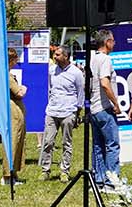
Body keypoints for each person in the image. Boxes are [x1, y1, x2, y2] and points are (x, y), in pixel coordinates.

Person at [40, 42, 81, 179]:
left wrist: (77, 113)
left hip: (68, 112)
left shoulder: (76, 73)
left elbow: (80, 94)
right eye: (54, 54)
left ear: (66, 56)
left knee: (66, 143)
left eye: (57, 54)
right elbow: (50, 88)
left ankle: (64, 171)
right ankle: (45, 170)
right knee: (48, 142)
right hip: (52, 111)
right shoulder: (52, 70)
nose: (54, 56)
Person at [89, 29, 121, 191]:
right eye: (113, 41)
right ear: (107, 42)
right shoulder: (105, 60)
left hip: (93, 108)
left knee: (98, 146)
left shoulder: (93, 59)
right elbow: (105, 83)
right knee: (112, 145)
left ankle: (99, 180)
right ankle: (111, 181)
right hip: (104, 108)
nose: (114, 44)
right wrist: (115, 103)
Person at [2, 46, 29, 186]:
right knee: (12, 141)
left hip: (16, 111)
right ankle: (7, 175)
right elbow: (19, 93)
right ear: (11, 60)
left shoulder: (5, 74)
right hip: (13, 112)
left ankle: (14, 173)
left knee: (18, 142)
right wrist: (24, 87)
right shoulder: (7, 75)